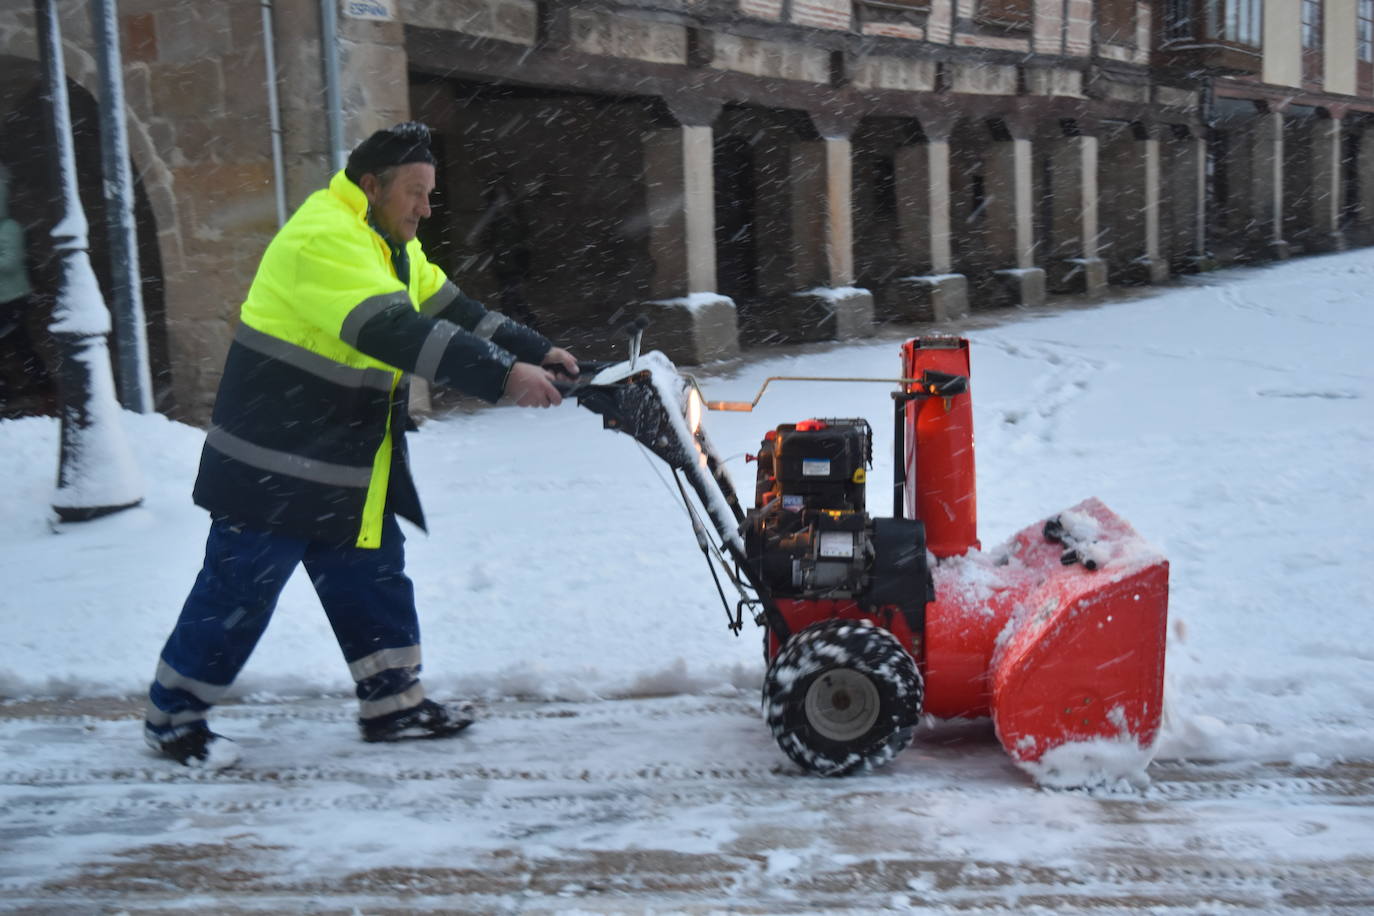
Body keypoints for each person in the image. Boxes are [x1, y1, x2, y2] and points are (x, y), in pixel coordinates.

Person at [143, 122, 577, 769]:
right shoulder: (324, 237)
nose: (425, 209)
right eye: (415, 193)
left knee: (373, 579)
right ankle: (172, 720)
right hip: (274, 464)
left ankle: (394, 705)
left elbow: (449, 307)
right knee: (239, 593)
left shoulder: (388, 244)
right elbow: (393, 330)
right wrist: (504, 376)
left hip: (346, 459)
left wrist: (532, 347)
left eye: (431, 194)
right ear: (370, 186)